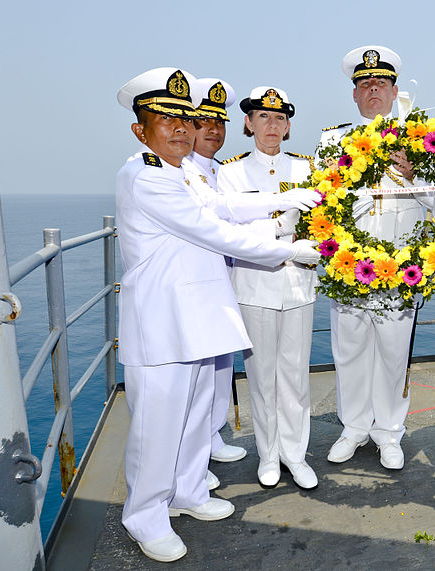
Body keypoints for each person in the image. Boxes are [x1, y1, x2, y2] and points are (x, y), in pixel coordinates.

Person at [115, 67, 320, 562]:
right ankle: (145, 516)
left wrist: (284, 198)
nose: (183, 128)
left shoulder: (180, 172)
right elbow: (213, 231)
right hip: (162, 322)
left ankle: (186, 494)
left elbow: (225, 205)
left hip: (198, 316)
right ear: (141, 130)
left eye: (186, 118)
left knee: (188, 420)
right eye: (167, 119)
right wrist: (285, 249)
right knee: (157, 426)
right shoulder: (145, 176)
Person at [323, 46, 432, 470]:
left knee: (392, 356)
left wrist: (415, 173)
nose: (373, 90)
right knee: (348, 353)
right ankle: (353, 428)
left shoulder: (423, 140)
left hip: (400, 271)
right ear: (354, 95)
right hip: (349, 270)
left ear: (394, 90)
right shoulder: (334, 141)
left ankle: (388, 432)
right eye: (364, 84)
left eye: (381, 83)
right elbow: (323, 203)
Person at [216, 86, 318, 489]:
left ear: (288, 124)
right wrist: (281, 235)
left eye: (279, 118)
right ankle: (269, 456)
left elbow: (321, 225)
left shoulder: (308, 169)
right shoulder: (231, 172)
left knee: (295, 376)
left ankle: (296, 455)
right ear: (248, 122)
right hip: (253, 286)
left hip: (297, 288)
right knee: (261, 377)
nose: (271, 125)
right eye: (262, 117)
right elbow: (230, 229)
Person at [183, 78, 247, 492]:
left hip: (225, 277)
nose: (214, 130)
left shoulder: (223, 171)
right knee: (197, 376)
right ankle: (192, 454)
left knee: (221, 366)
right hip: (195, 284)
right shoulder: (182, 170)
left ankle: (211, 435)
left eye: (219, 122)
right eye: (204, 121)